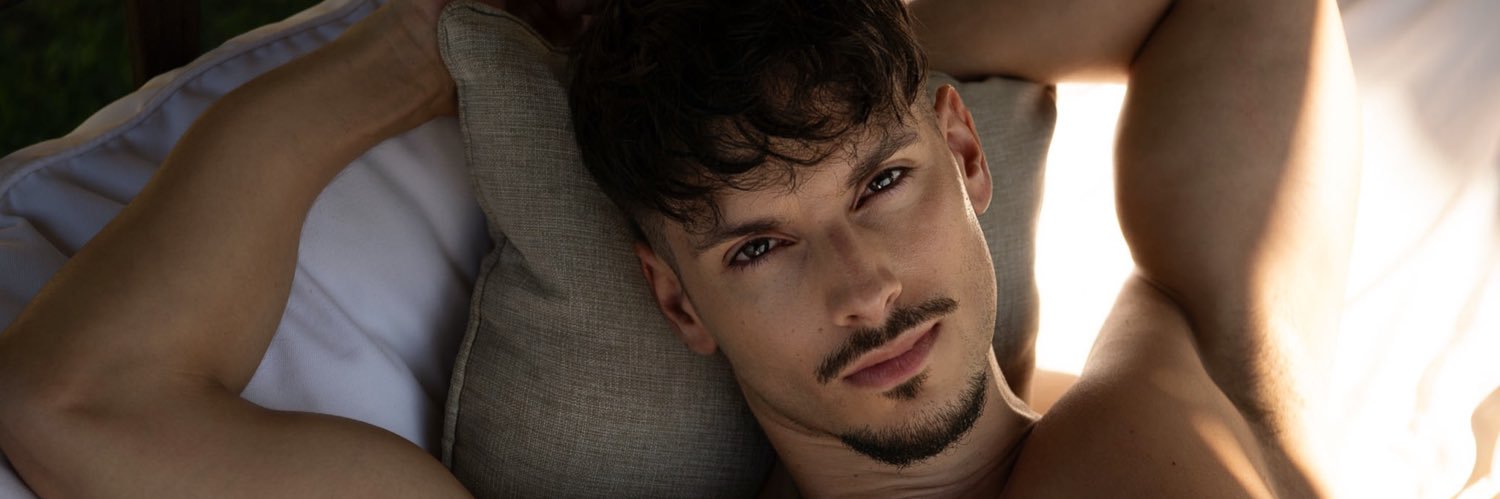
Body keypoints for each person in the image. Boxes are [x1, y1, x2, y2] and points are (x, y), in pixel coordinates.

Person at [0, 0, 1359, 496]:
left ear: (964, 151)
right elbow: (75, 403)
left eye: (883, 181)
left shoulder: (1185, 368)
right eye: (760, 248)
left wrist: (836, 30)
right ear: (676, 302)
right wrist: (419, 42)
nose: (866, 290)